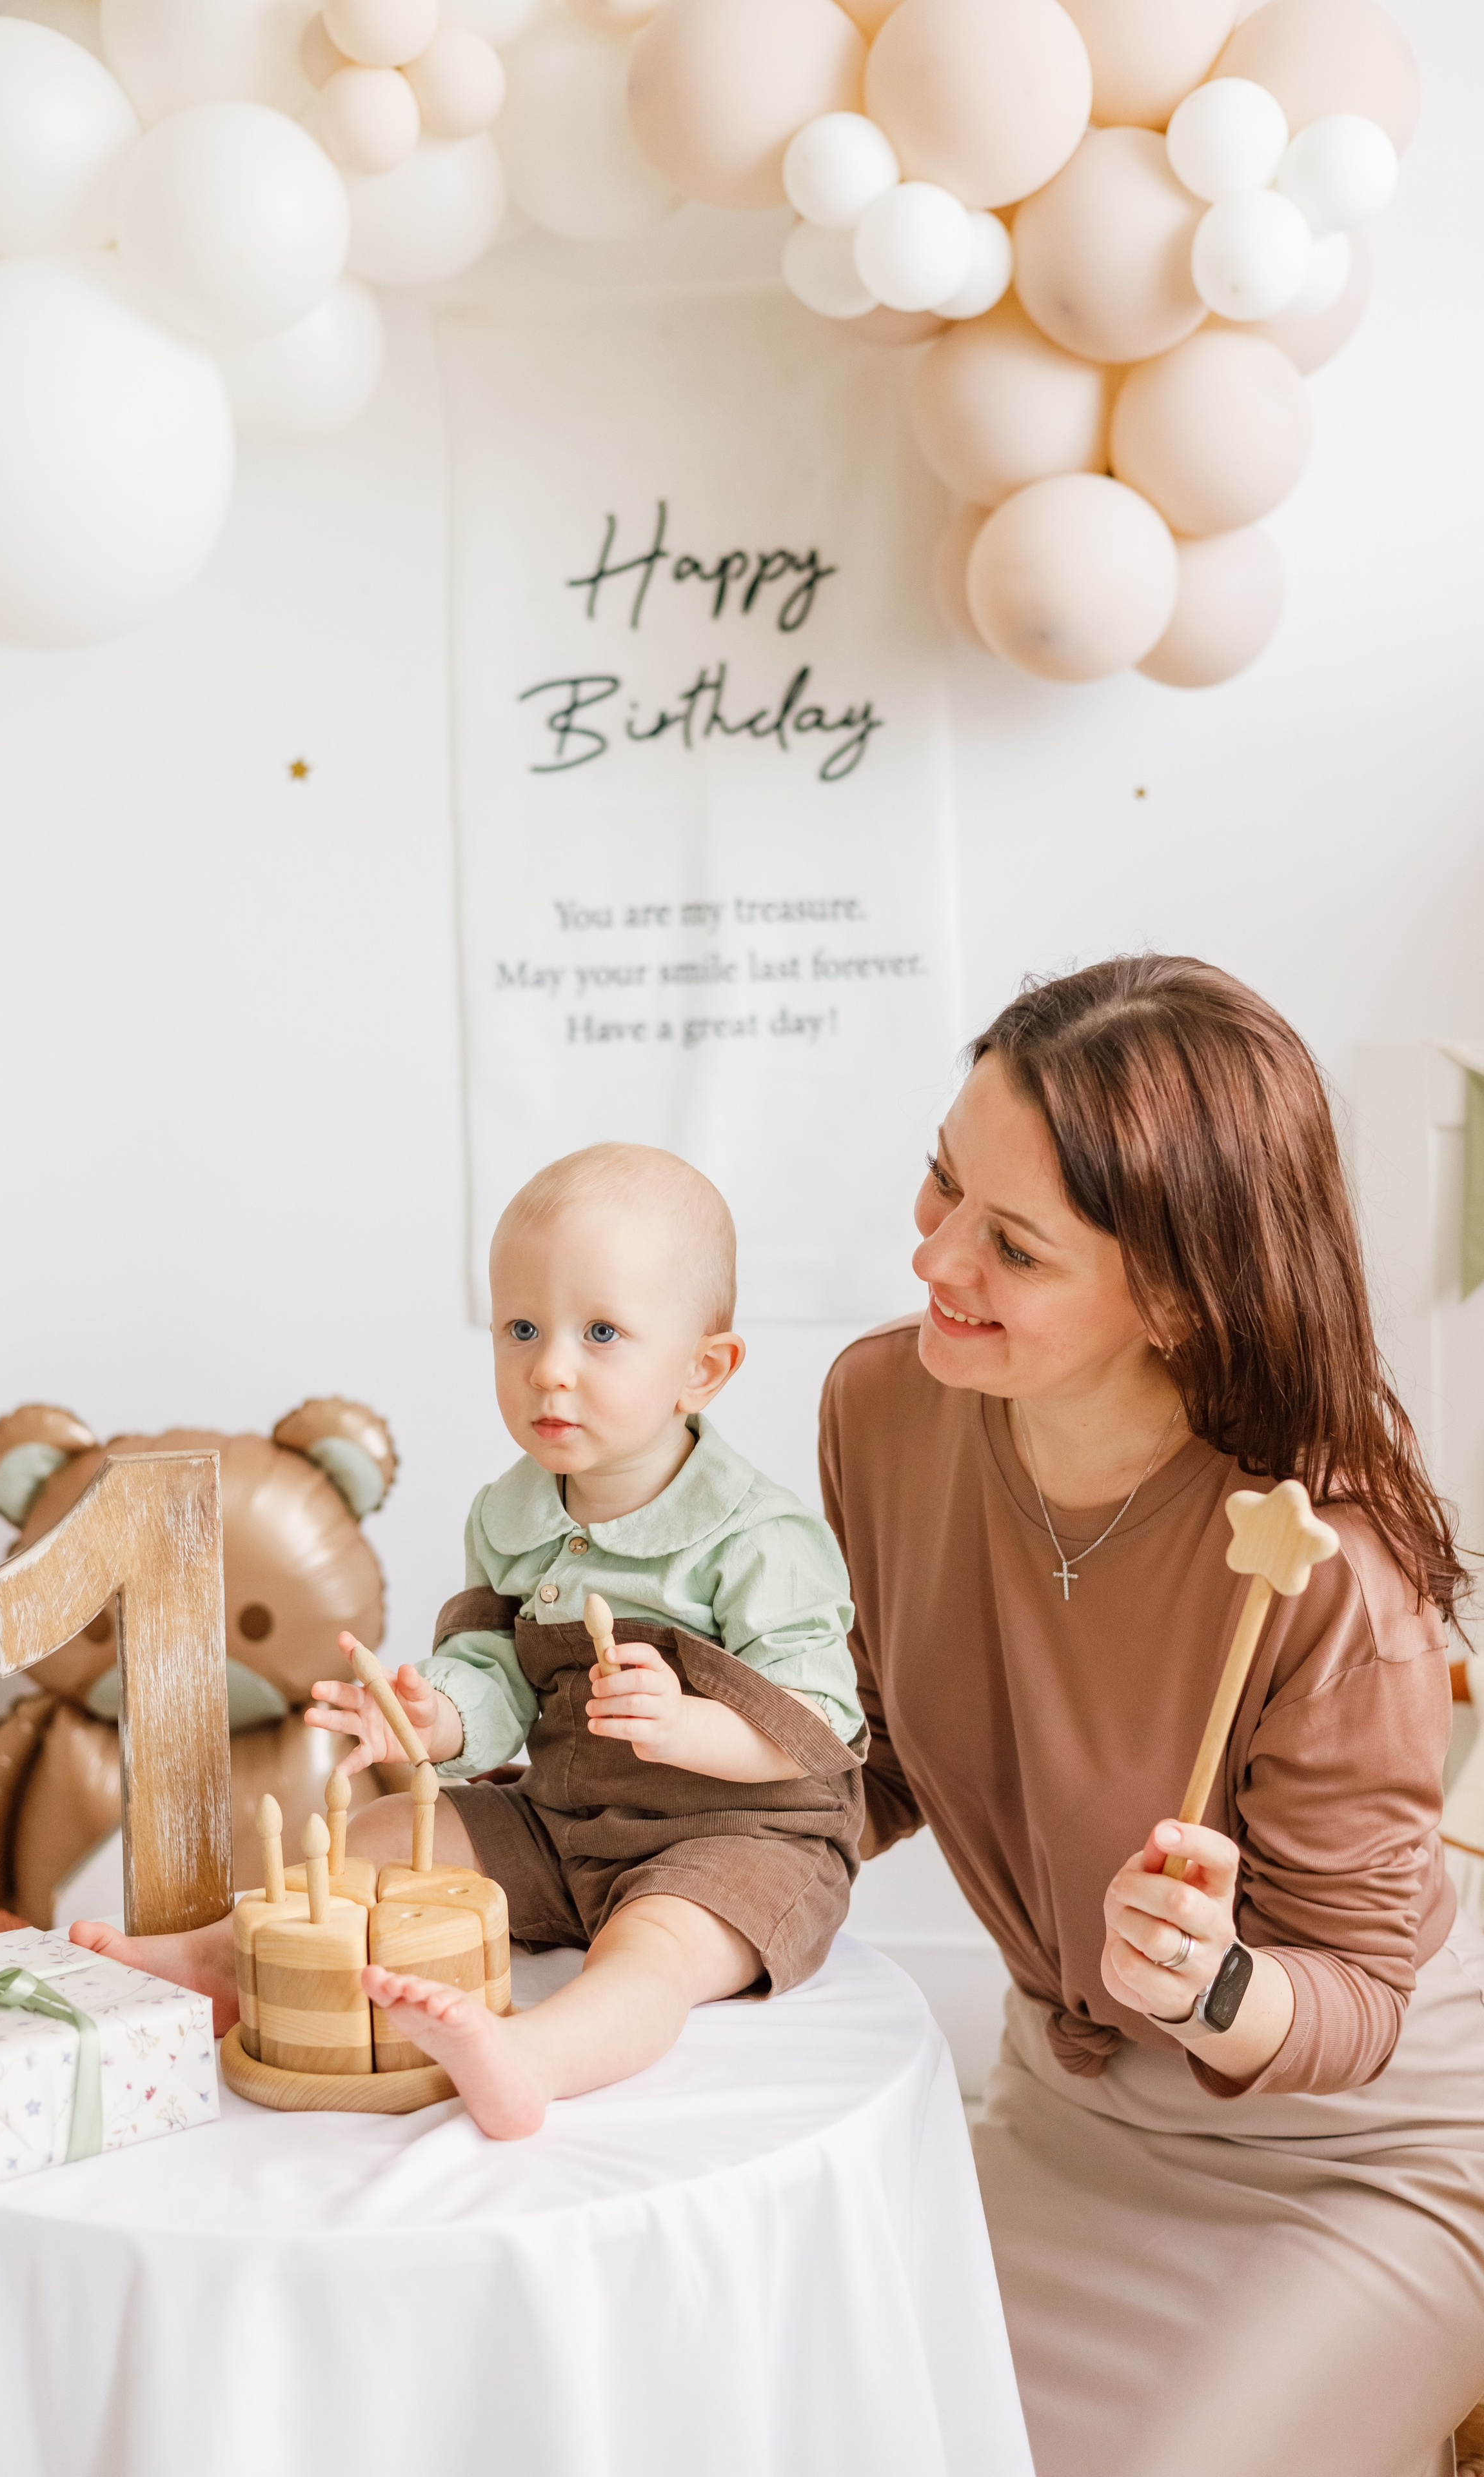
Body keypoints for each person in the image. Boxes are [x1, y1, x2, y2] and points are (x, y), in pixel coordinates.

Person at [820, 955, 1484, 2477]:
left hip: (1349, 2164)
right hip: (1065, 2116)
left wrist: (1210, 1989)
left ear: (1179, 1296)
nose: (932, 1261)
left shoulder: (1329, 1566)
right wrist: (653, 1808)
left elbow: (1357, 2006)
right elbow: (870, 1750)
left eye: (1013, 1248)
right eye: (939, 1184)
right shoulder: (885, 1410)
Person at [75, 1142, 864, 2138]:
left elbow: (825, 1723)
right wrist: (437, 1717)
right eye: (522, 1329)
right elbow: (499, 1671)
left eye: (602, 1332)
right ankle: (224, 1960)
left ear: (703, 1370)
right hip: (562, 1819)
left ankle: (530, 2059)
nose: (550, 1370)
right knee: (376, 1837)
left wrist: (691, 1725)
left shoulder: (761, 1538)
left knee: (651, 1948)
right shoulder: (512, 1515)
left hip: (738, 1838)